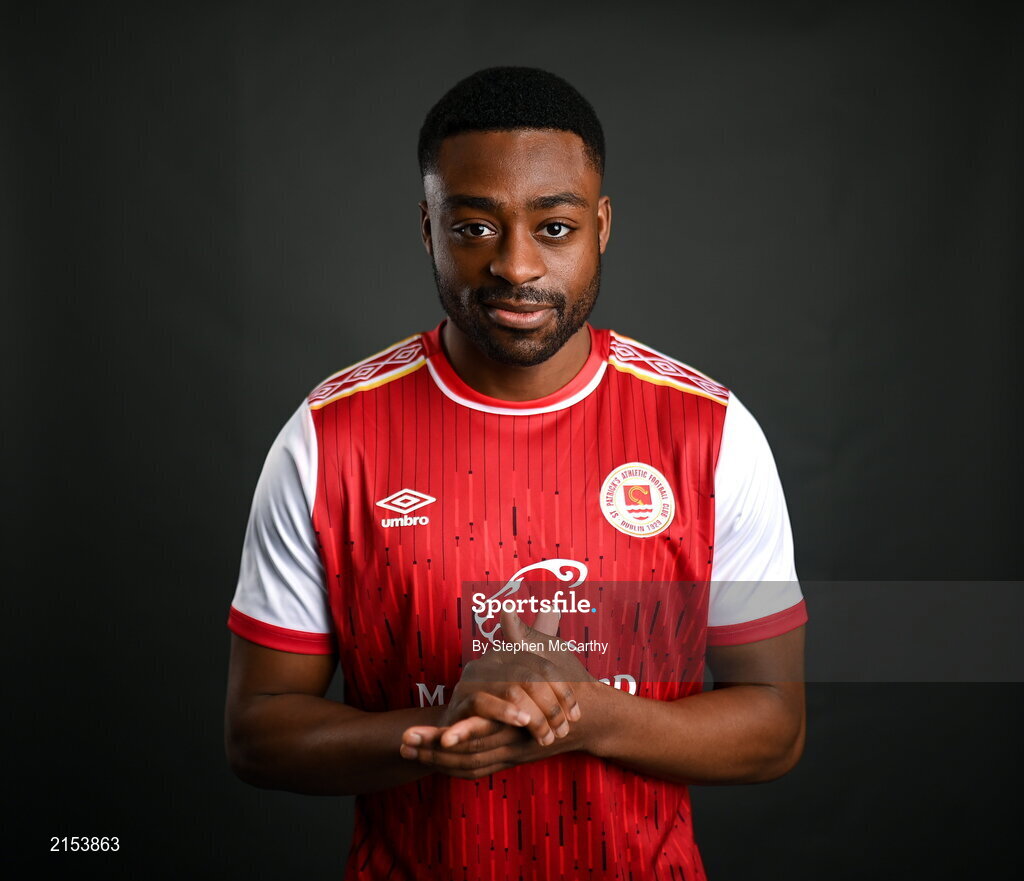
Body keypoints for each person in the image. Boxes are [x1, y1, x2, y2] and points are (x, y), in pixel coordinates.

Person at [225, 66, 807, 880]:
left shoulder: (712, 433)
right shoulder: (328, 437)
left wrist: (589, 716)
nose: (516, 265)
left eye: (556, 226)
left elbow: (776, 722)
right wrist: (431, 737)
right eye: (474, 228)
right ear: (426, 227)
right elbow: (257, 730)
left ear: (602, 225)